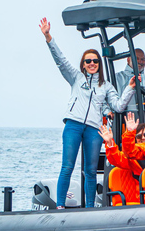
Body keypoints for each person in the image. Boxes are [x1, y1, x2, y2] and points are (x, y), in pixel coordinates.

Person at [41, 17, 136, 208]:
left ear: (99, 64)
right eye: (88, 61)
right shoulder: (75, 77)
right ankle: (60, 206)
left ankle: (91, 207)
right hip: (73, 125)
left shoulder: (105, 85)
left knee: (91, 170)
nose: (92, 63)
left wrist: (130, 88)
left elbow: (118, 106)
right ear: (83, 64)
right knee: (67, 167)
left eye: (95, 61)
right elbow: (60, 60)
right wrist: (48, 36)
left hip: (94, 129)